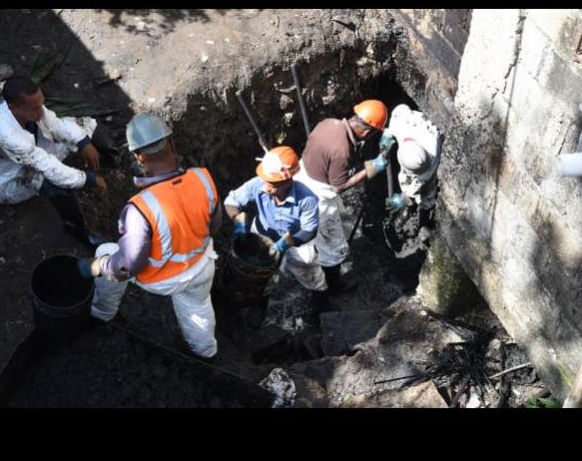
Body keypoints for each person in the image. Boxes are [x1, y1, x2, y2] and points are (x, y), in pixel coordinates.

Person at [79, 113, 223, 362]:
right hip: (202, 264)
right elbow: (216, 225)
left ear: (138, 157)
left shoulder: (140, 207)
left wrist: (97, 267)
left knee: (105, 252)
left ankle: (102, 314)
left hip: (165, 279)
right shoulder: (202, 177)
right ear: (172, 144)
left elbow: (127, 265)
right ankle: (206, 352)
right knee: (198, 308)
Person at [0, 76, 109, 248]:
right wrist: (89, 179)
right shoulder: (7, 136)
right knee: (46, 178)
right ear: (12, 108)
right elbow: (47, 166)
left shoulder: (26, 109)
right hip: (6, 181)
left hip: (28, 153)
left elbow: (55, 124)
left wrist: (83, 142)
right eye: (34, 109)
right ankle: (78, 231)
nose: (41, 112)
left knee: (81, 124)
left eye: (41, 104)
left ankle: (109, 155)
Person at [293, 99, 393, 293]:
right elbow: (338, 186)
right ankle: (333, 286)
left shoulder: (328, 123)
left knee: (316, 232)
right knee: (333, 247)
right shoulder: (342, 150)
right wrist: (373, 167)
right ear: (366, 132)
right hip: (318, 198)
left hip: (302, 178)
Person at [224, 146, 327, 313]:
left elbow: (310, 229)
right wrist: (238, 219)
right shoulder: (259, 183)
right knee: (258, 275)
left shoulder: (306, 198)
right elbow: (231, 201)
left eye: (272, 185)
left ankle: (321, 303)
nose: (265, 188)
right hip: (262, 235)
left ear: (287, 181)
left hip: (294, 240)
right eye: (265, 181)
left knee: (310, 273)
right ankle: (259, 302)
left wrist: (286, 243)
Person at [381, 104, 442, 213]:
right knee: (406, 179)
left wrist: (402, 199)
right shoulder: (402, 125)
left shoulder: (431, 163)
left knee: (427, 194)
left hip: (427, 134)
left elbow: (417, 186)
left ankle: (426, 209)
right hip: (417, 126)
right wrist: (386, 138)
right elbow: (401, 108)